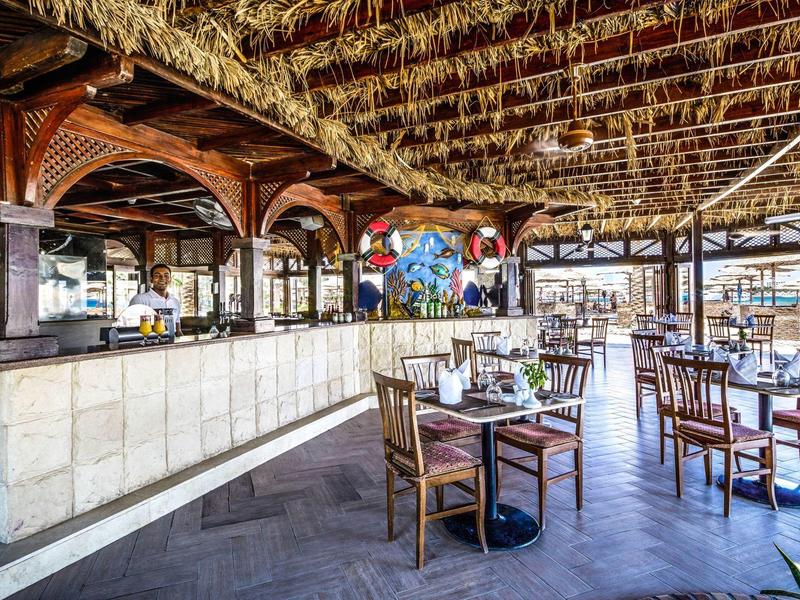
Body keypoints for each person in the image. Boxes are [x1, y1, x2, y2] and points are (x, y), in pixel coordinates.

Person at [129, 263, 183, 336]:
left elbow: (177, 326)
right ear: (151, 279)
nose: (162, 278)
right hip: (149, 344)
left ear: (170, 279)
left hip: (170, 344)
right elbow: (130, 325)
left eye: (166, 275)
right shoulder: (140, 299)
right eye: (157, 275)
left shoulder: (175, 301)